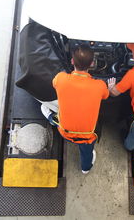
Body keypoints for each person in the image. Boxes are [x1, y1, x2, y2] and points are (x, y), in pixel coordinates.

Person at [41, 44, 109, 174]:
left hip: (65, 132)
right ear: (92, 64)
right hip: (86, 137)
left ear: (72, 61)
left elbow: (54, 83)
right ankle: (85, 168)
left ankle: (51, 118)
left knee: (44, 106)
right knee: (87, 153)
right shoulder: (99, 86)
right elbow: (106, 95)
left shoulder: (61, 78)